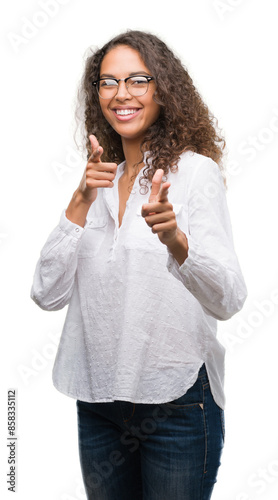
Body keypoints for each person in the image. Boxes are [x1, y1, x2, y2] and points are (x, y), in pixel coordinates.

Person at [31, 30, 247, 499]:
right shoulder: (98, 178)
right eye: (108, 82)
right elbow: (46, 294)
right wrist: (80, 199)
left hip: (176, 401)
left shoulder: (193, 173)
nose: (121, 94)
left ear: (163, 89)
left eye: (137, 80)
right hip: (99, 400)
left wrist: (175, 240)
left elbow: (229, 298)